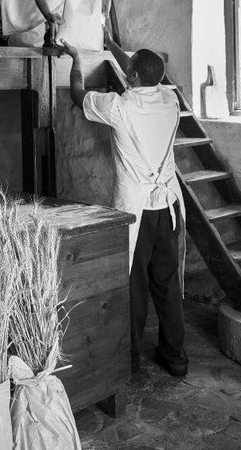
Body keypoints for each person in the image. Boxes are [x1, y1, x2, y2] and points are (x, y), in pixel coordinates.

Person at [56, 33, 189, 378]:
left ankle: (128, 360)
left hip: (137, 210)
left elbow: (77, 95)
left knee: (133, 283)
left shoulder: (120, 107)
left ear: (132, 76)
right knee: (167, 282)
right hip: (168, 207)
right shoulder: (170, 100)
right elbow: (141, 69)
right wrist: (110, 42)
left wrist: (76, 58)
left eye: (130, 70)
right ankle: (176, 356)